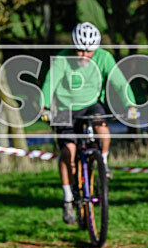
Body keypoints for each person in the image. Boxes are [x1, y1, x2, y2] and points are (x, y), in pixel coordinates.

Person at [40, 22, 138, 224]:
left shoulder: (104, 57)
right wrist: (45, 106)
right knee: (68, 152)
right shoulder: (62, 59)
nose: (84, 55)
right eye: (80, 50)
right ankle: (68, 198)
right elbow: (50, 82)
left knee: (103, 130)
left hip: (91, 104)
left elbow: (119, 82)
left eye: (89, 51)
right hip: (64, 107)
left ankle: (103, 161)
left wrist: (130, 104)